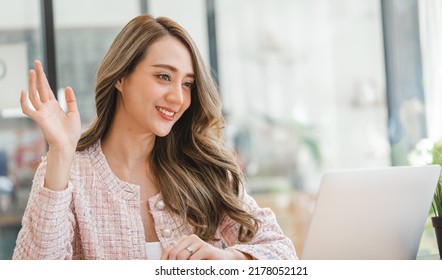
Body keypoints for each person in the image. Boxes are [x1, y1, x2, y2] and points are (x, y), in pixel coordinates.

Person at [12, 15, 297, 260]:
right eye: (163, 76)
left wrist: (228, 258)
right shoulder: (66, 174)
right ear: (121, 78)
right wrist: (62, 152)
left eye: (187, 84)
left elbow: (283, 255)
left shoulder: (206, 171)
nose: (178, 97)